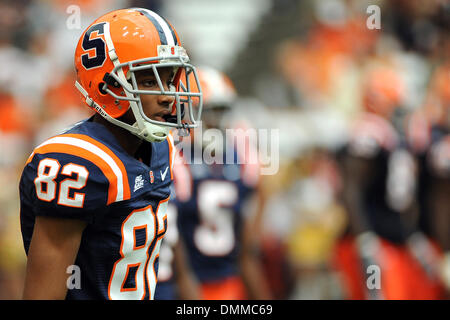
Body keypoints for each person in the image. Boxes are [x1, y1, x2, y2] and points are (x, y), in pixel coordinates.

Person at [19, 8, 202, 300]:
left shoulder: (162, 147)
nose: (168, 94)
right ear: (108, 85)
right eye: (149, 81)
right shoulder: (76, 163)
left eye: (169, 79)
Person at [168, 66, 272, 300]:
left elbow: (247, 240)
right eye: (210, 112)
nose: (217, 122)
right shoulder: (174, 156)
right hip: (182, 283)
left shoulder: (236, 155)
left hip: (228, 279)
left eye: (221, 112)